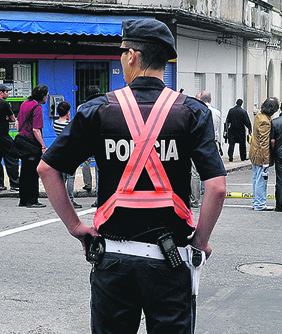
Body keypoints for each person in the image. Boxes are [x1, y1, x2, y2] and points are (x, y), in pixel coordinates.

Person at [38, 18, 226, 334]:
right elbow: (217, 188)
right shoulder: (193, 112)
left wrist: (76, 227)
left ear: (133, 57)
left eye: (122, 51)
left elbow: (47, 169)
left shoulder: (97, 110)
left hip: (113, 262)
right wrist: (201, 241)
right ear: (164, 61)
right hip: (171, 261)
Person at [16, 85, 47, 208]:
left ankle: (23, 199)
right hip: (32, 143)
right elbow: (36, 129)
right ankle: (32, 200)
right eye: (46, 95)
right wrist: (43, 146)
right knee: (33, 173)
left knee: (24, 171)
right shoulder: (37, 107)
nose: (47, 97)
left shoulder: (25, 103)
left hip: (23, 141)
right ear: (43, 96)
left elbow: (18, 122)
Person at [0, 83, 19, 192]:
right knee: (12, 157)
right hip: (2, 134)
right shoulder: (4, 104)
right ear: (1, 93)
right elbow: (13, 119)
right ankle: (15, 184)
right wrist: (7, 118)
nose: (8, 94)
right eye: (6, 92)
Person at [250, 97, 278, 211]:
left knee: (256, 179)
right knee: (261, 180)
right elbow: (264, 143)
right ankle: (260, 204)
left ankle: (256, 202)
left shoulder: (259, 115)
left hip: (255, 153)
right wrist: (266, 162)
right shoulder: (265, 122)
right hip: (261, 155)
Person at [78, 86, 104, 205]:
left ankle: (87, 184)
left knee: (86, 162)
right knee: (100, 170)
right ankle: (99, 198)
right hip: (100, 140)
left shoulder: (82, 107)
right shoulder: (103, 106)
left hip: (87, 140)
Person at [53, 100, 81, 209]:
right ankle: (70, 199)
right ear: (67, 112)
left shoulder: (55, 123)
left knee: (62, 178)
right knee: (71, 177)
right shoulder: (69, 124)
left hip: (60, 152)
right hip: (70, 152)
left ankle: (61, 199)